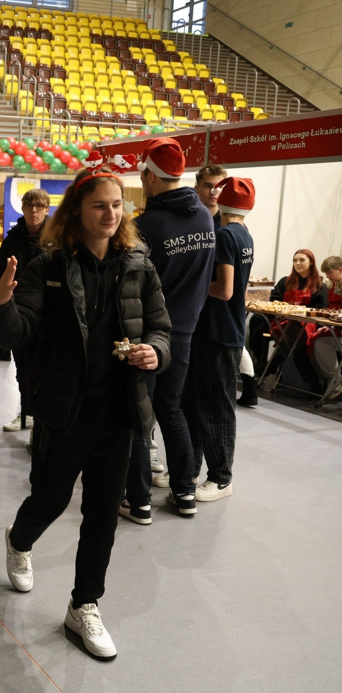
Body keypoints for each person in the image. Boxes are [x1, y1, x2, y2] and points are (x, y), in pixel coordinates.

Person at [0, 166, 171, 660]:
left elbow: (160, 328)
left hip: (119, 412)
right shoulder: (47, 266)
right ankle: (19, 539)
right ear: (76, 211)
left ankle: (83, 605)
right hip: (63, 409)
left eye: (117, 205)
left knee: (101, 517)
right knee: (48, 500)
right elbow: (13, 331)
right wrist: (0, 300)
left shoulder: (138, 264)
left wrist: (154, 351)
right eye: (99, 206)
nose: (110, 214)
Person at [119, 138, 215, 524]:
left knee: (139, 417)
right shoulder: (206, 218)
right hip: (187, 332)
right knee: (172, 410)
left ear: (148, 177)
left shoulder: (145, 226)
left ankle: (139, 500)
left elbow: (131, 286)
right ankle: (185, 491)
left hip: (150, 335)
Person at [182, 177, 256, 503]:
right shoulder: (244, 234)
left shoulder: (225, 235)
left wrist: (191, 284)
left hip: (219, 331)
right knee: (200, 404)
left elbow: (224, 290)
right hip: (221, 330)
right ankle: (192, 470)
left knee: (215, 407)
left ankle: (221, 477)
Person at [0, 188, 51, 435]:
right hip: (19, 314)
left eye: (39, 206)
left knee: (46, 370)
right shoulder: (12, 240)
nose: (34, 210)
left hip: (48, 315)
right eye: (29, 206)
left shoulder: (57, 238)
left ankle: (43, 420)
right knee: (23, 369)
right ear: (22, 209)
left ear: (47, 209)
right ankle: (26, 414)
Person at [248, 249, 327, 390]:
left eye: (302, 260)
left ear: (311, 263)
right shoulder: (286, 281)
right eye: (295, 260)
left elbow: (320, 309)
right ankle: (261, 363)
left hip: (304, 324)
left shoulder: (319, 285)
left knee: (293, 330)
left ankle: (270, 367)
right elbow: (273, 301)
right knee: (257, 320)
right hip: (281, 319)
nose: (298, 263)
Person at [311, 255, 342, 396]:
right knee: (319, 340)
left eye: (330, 273)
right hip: (338, 328)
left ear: (340, 270)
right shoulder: (333, 285)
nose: (328, 277)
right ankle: (335, 379)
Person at [194, 163, 228, 229]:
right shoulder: (186, 220)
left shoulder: (228, 224)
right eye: (208, 186)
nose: (213, 192)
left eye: (219, 187)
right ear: (196, 189)